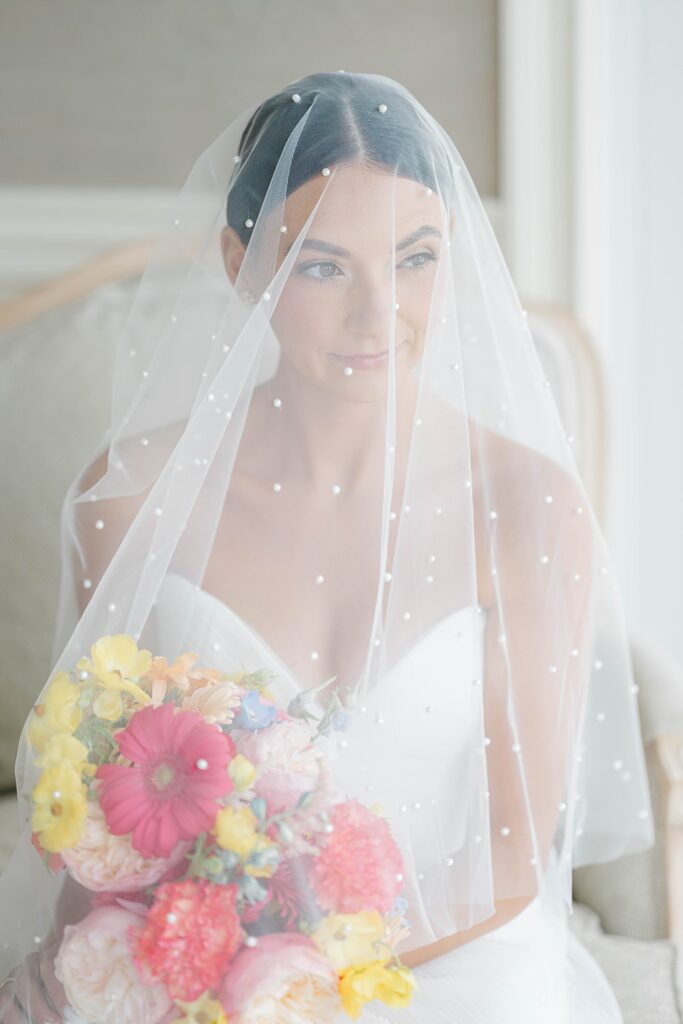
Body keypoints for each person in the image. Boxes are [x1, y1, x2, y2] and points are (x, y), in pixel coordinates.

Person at [0, 71, 654, 1023]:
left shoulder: (526, 503)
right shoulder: (135, 494)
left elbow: (512, 856)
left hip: (460, 958)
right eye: (321, 264)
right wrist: (112, 968)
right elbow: (108, 807)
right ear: (241, 264)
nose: (377, 312)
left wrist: (282, 969)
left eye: (415, 258)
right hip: (195, 970)